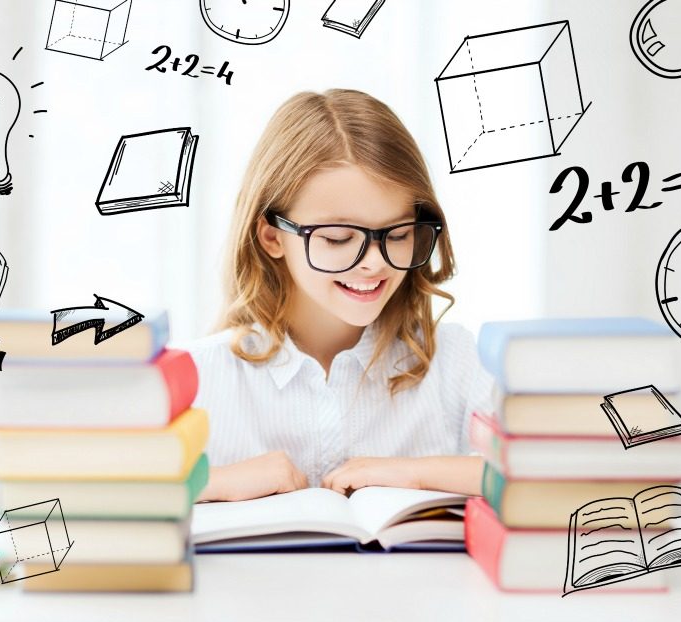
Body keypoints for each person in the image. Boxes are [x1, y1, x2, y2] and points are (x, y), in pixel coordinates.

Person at [190, 89, 493, 502]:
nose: (373, 263)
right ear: (272, 236)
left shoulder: (455, 361)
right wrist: (211, 484)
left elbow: (548, 478)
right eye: (337, 238)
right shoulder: (202, 376)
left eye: (399, 234)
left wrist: (418, 474)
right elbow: (90, 501)